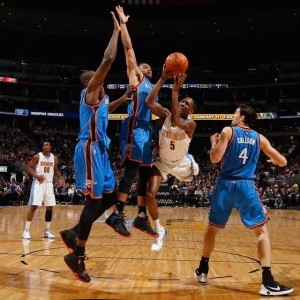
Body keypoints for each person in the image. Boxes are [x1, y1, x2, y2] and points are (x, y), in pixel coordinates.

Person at [61, 12, 132, 283]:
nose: (97, 75)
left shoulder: (102, 101)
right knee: (93, 202)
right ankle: (76, 254)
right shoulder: (90, 93)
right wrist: (117, 30)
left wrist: (122, 99)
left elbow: (106, 108)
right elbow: (109, 59)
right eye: (93, 76)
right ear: (89, 82)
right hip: (89, 150)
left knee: (112, 196)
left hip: (100, 152)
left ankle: (74, 232)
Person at [194, 104, 294, 296]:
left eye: (235, 114)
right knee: (261, 231)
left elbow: (214, 159)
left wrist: (213, 143)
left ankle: (203, 269)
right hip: (246, 186)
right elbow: (283, 162)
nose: (232, 116)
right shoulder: (259, 138)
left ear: (242, 118)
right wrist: (274, 161)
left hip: (225, 184)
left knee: (212, 228)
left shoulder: (228, 131)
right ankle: (267, 281)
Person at [105, 5, 168, 238]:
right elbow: (129, 48)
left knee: (143, 173)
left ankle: (141, 217)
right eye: (144, 66)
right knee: (131, 172)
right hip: (133, 127)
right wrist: (124, 25)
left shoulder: (153, 87)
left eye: (149, 67)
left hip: (146, 130)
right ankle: (117, 214)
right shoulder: (137, 78)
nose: (147, 68)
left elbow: (157, 109)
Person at [144, 71, 199, 251]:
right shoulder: (166, 114)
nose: (183, 104)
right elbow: (149, 102)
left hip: (182, 164)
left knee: (193, 174)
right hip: (163, 162)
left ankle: (192, 162)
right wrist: (162, 80)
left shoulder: (191, 125)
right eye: (182, 101)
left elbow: (176, 122)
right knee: (149, 195)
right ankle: (160, 230)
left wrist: (175, 91)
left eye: (187, 104)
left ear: (192, 111)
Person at [22, 141, 61, 240]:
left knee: (50, 207)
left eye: (49, 145)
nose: (48, 146)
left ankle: (47, 231)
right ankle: (26, 231)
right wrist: (36, 176)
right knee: (34, 206)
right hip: (38, 184)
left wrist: (60, 178)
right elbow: (29, 167)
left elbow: (55, 170)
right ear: (43, 147)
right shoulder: (37, 156)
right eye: (46, 145)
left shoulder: (54, 158)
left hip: (49, 184)